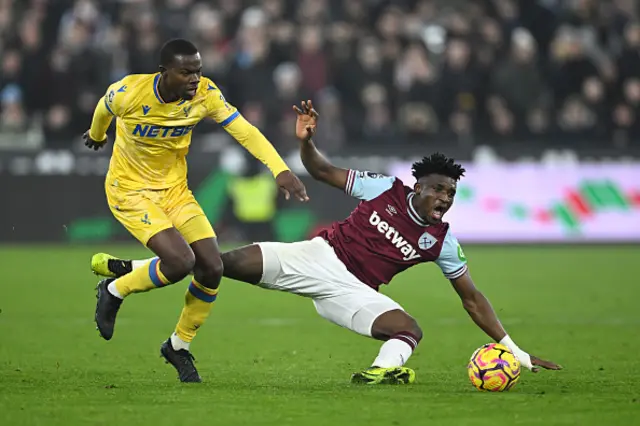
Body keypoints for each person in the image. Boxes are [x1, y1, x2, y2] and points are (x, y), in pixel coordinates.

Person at [91, 100, 561, 384]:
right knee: (214, 263)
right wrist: (306, 142)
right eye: (438, 189)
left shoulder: (443, 242)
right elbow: (319, 170)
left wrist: (515, 351)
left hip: (352, 292)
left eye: (451, 194)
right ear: (418, 186)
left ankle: (381, 371)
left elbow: (472, 299)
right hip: (316, 255)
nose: (444, 198)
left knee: (409, 330)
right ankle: (131, 271)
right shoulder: (385, 188)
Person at [85, 39, 307, 383]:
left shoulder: (205, 94)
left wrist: (279, 169)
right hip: (130, 192)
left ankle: (178, 345)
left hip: (175, 191)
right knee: (179, 262)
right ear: (165, 73)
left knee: (211, 267)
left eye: (198, 71)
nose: (195, 79)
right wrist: (98, 135)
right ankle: (115, 290)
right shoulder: (129, 91)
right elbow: (103, 107)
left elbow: (244, 131)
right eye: (186, 72)